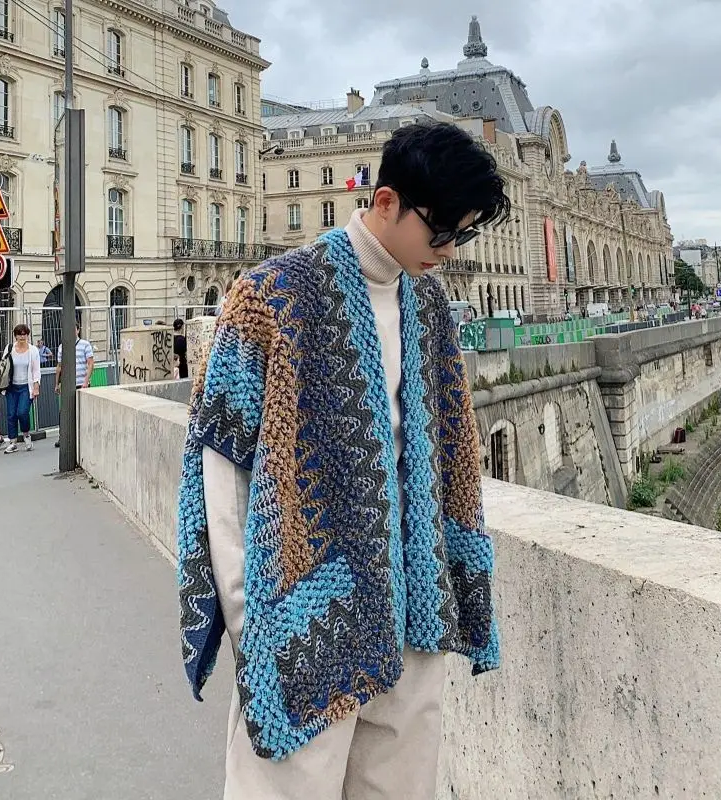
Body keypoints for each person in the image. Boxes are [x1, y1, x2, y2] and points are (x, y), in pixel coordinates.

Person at [177, 122, 506, 799]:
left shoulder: (429, 305)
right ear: (386, 201)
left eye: (463, 236)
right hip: (305, 622)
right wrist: (248, 617)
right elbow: (222, 465)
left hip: (414, 613)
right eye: (442, 232)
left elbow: (449, 454)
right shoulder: (272, 294)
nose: (448, 251)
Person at [54, 323, 94, 448]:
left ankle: (83, 436)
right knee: (64, 412)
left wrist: (86, 381)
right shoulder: (62, 347)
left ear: (78, 330)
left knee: (82, 411)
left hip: (81, 383)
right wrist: (57, 383)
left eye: (73, 329)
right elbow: (59, 366)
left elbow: (90, 363)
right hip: (67, 384)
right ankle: (63, 436)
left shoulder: (85, 345)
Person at [3, 324, 41, 454]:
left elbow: (36, 370)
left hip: (26, 386)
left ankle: (26, 435)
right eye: (19, 334)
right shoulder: (9, 349)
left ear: (28, 335)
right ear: (15, 336)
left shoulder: (33, 350)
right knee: (11, 414)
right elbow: (3, 366)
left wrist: (36, 387)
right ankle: (13, 442)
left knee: (22, 412)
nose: (22, 336)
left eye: (25, 334)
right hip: (11, 387)